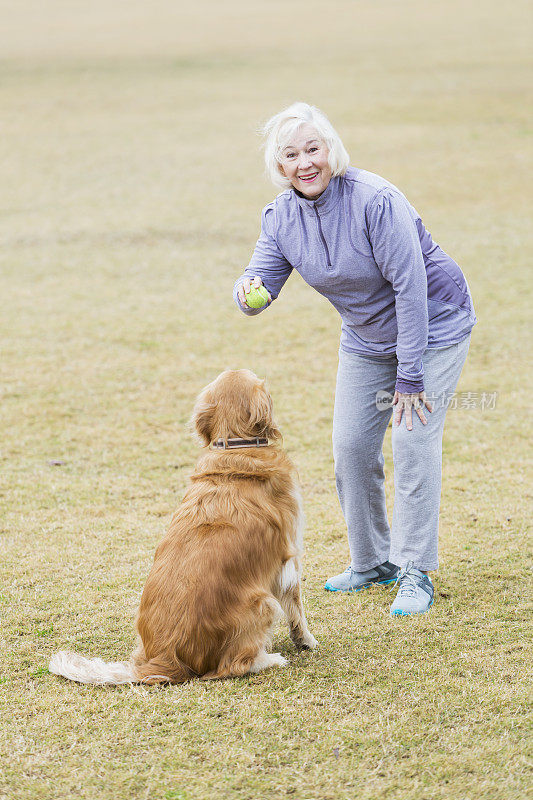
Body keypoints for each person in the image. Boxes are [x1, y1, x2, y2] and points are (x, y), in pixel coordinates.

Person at [233, 102, 476, 616]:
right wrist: (248, 290)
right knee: (350, 446)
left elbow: (411, 290)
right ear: (279, 167)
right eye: (291, 154)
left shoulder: (375, 200)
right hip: (367, 337)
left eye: (313, 148)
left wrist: (410, 377)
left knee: (411, 440)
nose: (305, 162)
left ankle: (415, 570)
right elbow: (262, 277)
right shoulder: (280, 217)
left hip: (435, 323)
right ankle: (372, 563)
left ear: (331, 150)